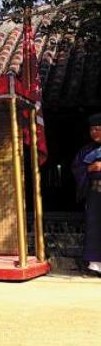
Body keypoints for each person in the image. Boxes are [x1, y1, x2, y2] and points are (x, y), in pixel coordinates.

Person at [72, 113, 101, 274]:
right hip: (95, 194)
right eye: (92, 130)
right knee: (95, 228)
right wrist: (90, 168)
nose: (94, 133)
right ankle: (96, 266)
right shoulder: (86, 151)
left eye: (98, 129)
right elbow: (76, 169)